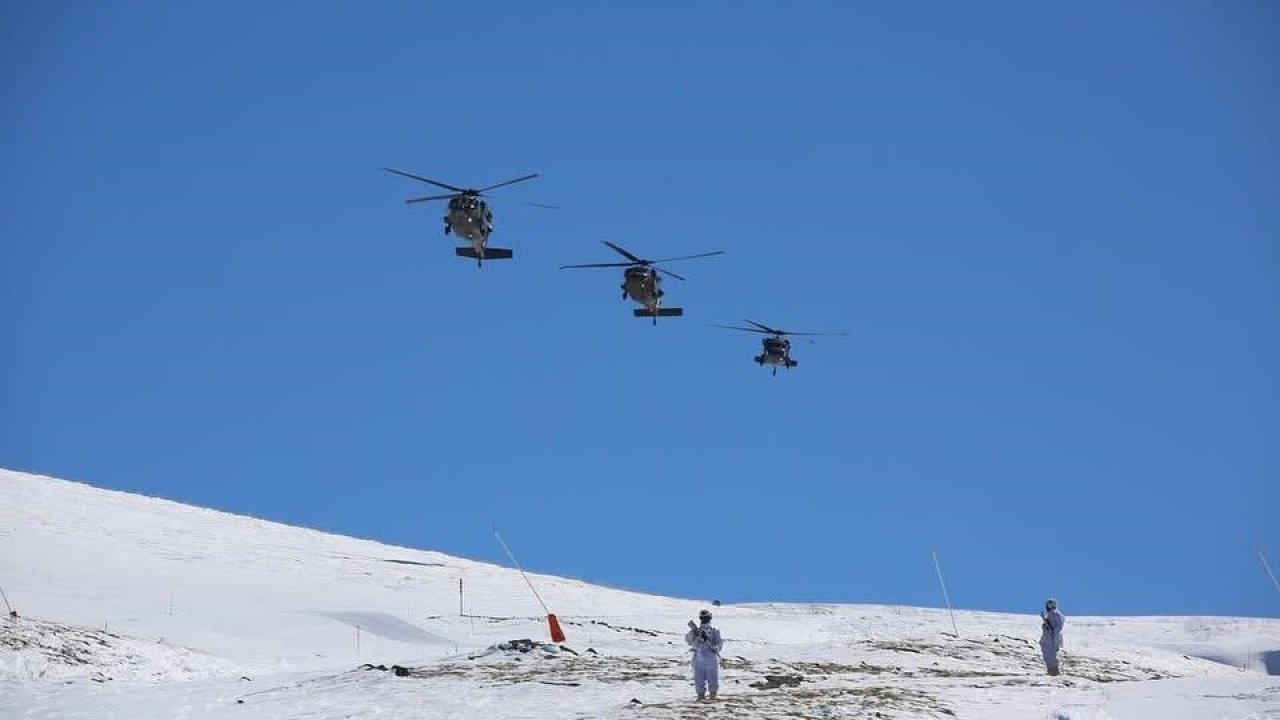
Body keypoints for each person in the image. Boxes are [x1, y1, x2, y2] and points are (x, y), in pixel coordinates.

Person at [684, 609, 724, 701]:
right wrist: (694, 633)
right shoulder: (696, 631)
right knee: (699, 679)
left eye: (706, 618)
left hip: (711, 659)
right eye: (703, 618)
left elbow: (719, 643)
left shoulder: (714, 631)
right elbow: (688, 640)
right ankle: (700, 695)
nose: (705, 620)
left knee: (712, 678)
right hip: (698, 658)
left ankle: (713, 695)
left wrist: (716, 648)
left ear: (710, 618)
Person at [1040, 597, 1064, 676]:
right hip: (1048, 638)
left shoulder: (1055, 614)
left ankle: (1054, 671)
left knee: (1051, 655)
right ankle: (1050, 670)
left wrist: (1054, 638)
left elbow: (1057, 627)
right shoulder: (1051, 614)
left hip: (1051, 638)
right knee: (1047, 655)